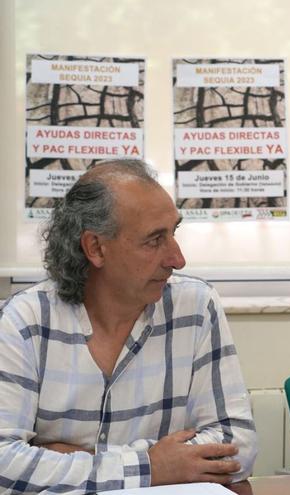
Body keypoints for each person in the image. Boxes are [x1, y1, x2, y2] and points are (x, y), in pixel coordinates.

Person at [0, 160, 257, 493]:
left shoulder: (195, 306)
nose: (177, 259)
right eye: (154, 240)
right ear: (95, 247)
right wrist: (151, 465)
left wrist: (76, 460)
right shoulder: (25, 322)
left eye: (173, 233)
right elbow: (4, 464)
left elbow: (238, 444)